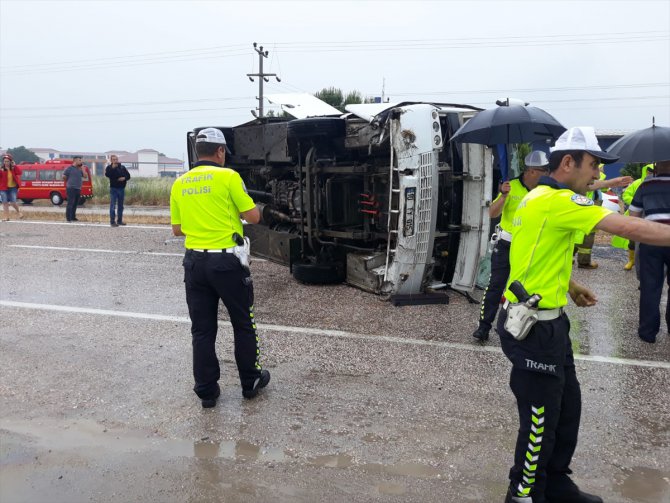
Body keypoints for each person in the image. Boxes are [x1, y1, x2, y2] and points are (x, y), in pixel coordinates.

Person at [499, 126, 670, 503]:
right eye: (593, 165)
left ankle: (556, 483)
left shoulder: (541, 198)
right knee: (540, 420)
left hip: (551, 321)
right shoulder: (557, 201)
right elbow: (628, 226)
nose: (596, 175)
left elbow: (530, 254)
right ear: (568, 162)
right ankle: (523, 494)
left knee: (566, 409)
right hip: (533, 329)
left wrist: (571, 286)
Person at [170, 127, 270, 408]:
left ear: (196, 152)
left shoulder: (180, 183)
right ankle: (250, 381)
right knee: (243, 323)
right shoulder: (228, 177)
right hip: (226, 263)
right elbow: (252, 216)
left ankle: (206, 390)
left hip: (194, 263)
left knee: (202, 330)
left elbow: (177, 230)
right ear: (220, 151)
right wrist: (259, 209)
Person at [472, 150, 550, 343]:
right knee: (495, 286)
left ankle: (511, 325)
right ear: (531, 171)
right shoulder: (510, 187)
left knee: (522, 289)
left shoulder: (544, 191)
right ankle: (484, 326)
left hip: (529, 248)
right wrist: (503, 196)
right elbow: (492, 213)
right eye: (543, 170)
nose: (547, 173)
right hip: (506, 244)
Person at [629, 159, 670, 343]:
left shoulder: (646, 184)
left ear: (657, 167)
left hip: (651, 240)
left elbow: (634, 214)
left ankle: (647, 332)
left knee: (650, 286)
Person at [574, 166, 632, 269]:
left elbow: (602, 187)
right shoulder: (588, 179)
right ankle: (583, 262)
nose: (602, 170)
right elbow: (595, 184)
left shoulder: (586, 180)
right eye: (601, 168)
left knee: (581, 237)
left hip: (591, 208)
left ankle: (579, 259)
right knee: (584, 238)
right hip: (588, 209)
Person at [105, 154, 131, 227]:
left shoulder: (122, 167)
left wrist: (124, 178)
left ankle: (119, 221)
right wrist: (113, 169)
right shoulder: (109, 168)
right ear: (111, 160)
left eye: (116, 159)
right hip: (113, 189)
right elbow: (108, 175)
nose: (115, 161)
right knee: (113, 205)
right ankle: (112, 222)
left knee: (120, 206)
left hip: (121, 188)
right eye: (114, 159)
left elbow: (128, 176)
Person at [0, 154, 23, 221]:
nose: (6, 163)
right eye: (5, 161)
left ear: (10, 162)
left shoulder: (13, 168)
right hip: (3, 188)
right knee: (5, 202)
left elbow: (19, 172)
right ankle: (6, 217)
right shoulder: (1, 169)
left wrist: (15, 165)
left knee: (13, 202)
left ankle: (19, 212)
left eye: (7, 161)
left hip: (13, 188)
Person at [62, 156, 85, 222]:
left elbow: (85, 176)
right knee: (70, 203)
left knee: (75, 204)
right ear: (75, 161)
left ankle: (73, 217)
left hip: (78, 188)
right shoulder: (69, 168)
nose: (81, 161)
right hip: (71, 188)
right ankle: (68, 218)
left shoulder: (79, 169)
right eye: (79, 160)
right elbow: (64, 176)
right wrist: (69, 182)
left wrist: (83, 169)